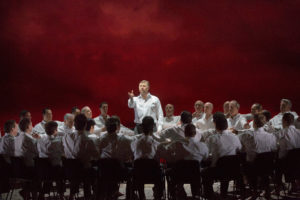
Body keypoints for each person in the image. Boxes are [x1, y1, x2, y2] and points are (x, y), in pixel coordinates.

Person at [202, 113, 242, 199]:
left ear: (215, 125)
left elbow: (204, 153)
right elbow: (239, 149)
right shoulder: (235, 137)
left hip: (219, 170)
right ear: (227, 126)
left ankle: (210, 196)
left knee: (205, 172)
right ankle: (223, 193)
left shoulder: (212, 138)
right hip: (234, 170)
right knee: (226, 166)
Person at [165, 124, 208, 199]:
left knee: (170, 170)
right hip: (195, 175)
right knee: (199, 169)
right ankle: (196, 193)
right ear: (195, 133)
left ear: (184, 133)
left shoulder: (176, 144)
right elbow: (206, 158)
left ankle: (177, 191)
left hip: (178, 175)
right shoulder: (202, 146)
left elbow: (167, 153)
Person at [62, 114, 99, 199]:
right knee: (95, 169)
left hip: (68, 170)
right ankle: (91, 195)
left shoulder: (66, 137)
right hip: (83, 172)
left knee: (76, 170)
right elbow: (96, 155)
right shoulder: (88, 140)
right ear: (86, 125)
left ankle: (72, 194)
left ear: (74, 124)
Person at [97, 117, 134, 199]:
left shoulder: (101, 139)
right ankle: (130, 196)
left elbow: (97, 154)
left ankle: (107, 192)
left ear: (106, 128)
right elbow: (129, 155)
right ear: (116, 127)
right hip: (119, 172)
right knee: (131, 170)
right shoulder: (124, 139)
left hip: (104, 172)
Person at [130, 116, 163, 200]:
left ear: (141, 127)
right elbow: (160, 155)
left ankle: (141, 195)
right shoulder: (157, 140)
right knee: (159, 169)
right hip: (154, 173)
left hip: (139, 172)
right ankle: (158, 194)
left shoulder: (135, 139)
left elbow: (132, 154)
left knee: (138, 168)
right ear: (153, 127)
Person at [37, 121, 64, 198]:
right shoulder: (57, 142)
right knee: (60, 169)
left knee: (48, 170)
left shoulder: (40, 140)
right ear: (55, 131)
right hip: (55, 170)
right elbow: (62, 152)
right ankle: (61, 194)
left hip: (43, 170)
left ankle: (43, 193)